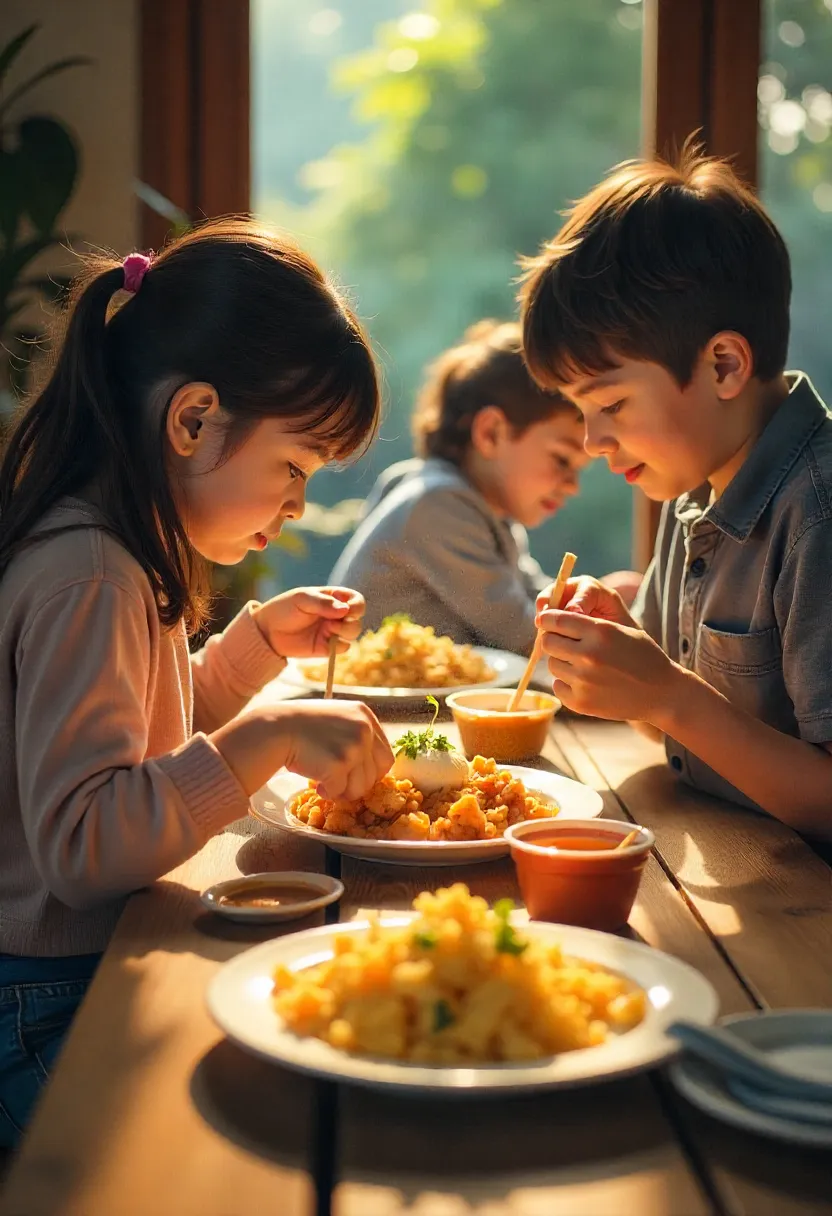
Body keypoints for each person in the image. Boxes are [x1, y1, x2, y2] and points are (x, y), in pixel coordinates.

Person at [0, 220, 394, 1146]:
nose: (297, 503)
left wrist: (256, 645)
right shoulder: (91, 573)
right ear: (192, 419)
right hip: (42, 1006)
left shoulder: (110, 550)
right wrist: (268, 739)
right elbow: (86, 847)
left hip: (79, 971)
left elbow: (148, 742)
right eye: (293, 466)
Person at [521, 145, 832, 840]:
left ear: (722, 365)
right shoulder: (694, 490)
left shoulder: (817, 511)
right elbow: (667, 720)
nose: (592, 441)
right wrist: (625, 657)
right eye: (580, 411)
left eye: (611, 404)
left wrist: (667, 693)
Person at [331, 320, 640, 654]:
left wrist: (594, 600)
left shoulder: (485, 513)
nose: (573, 487)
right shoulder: (439, 506)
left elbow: (534, 597)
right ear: (490, 433)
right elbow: (523, 634)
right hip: (378, 686)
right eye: (562, 460)